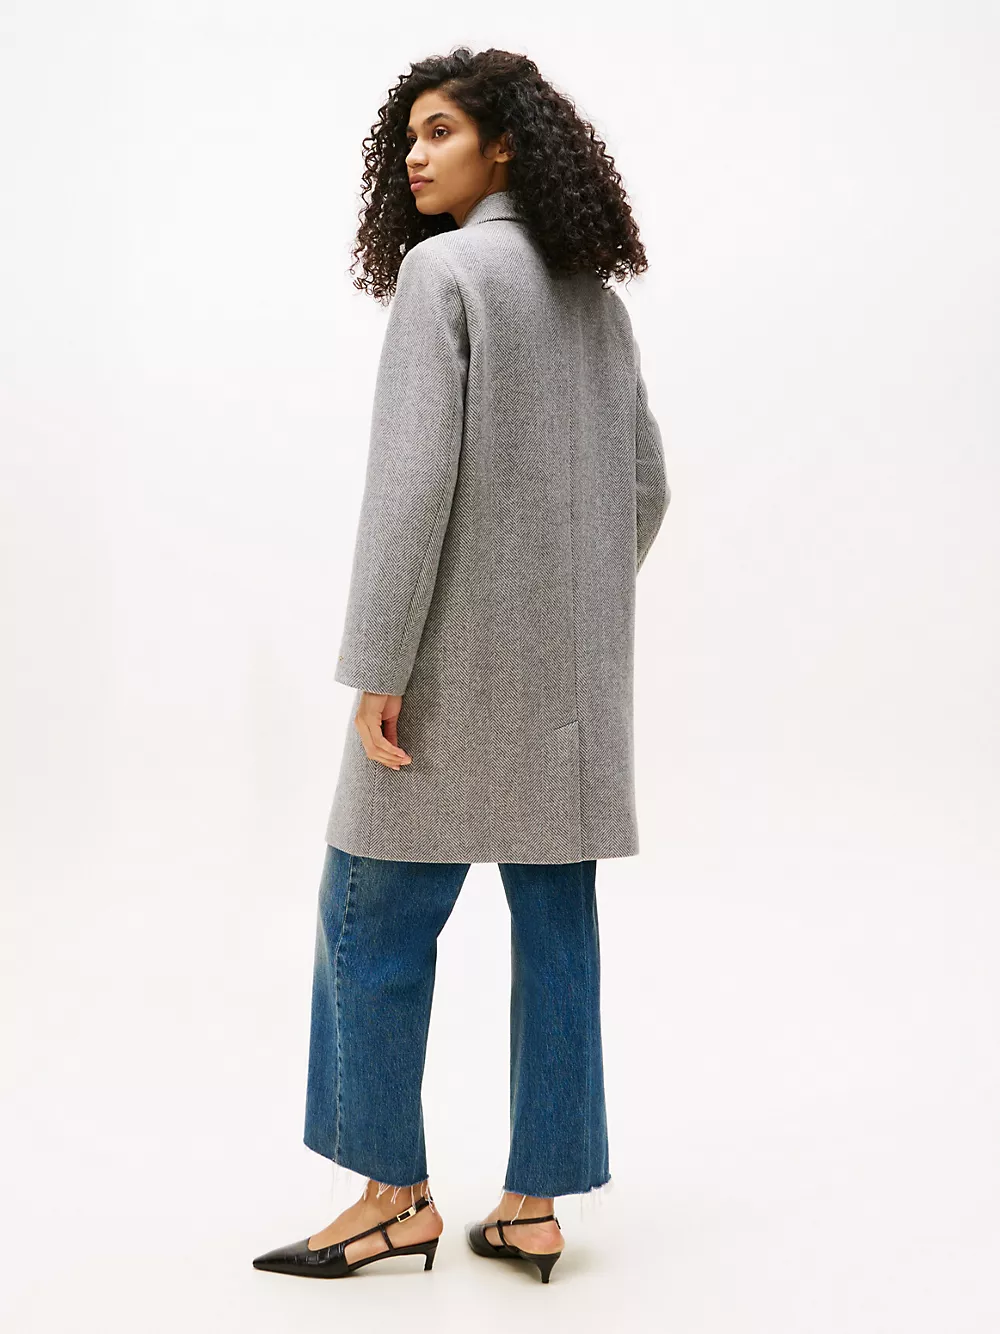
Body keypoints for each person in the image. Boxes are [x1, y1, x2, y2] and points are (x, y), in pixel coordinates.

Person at [252, 45, 670, 1285]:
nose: (414, 158)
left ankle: (392, 1197)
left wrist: (380, 663)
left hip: (440, 682)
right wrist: (562, 613)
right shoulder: (594, 298)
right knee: (557, 939)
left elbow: (409, 488)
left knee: (367, 919)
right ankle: (534, 1205)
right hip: (567, 698)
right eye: (408, 139)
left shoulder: (445, 273)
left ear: (505, 145)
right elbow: (646, 488)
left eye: (439, 132)